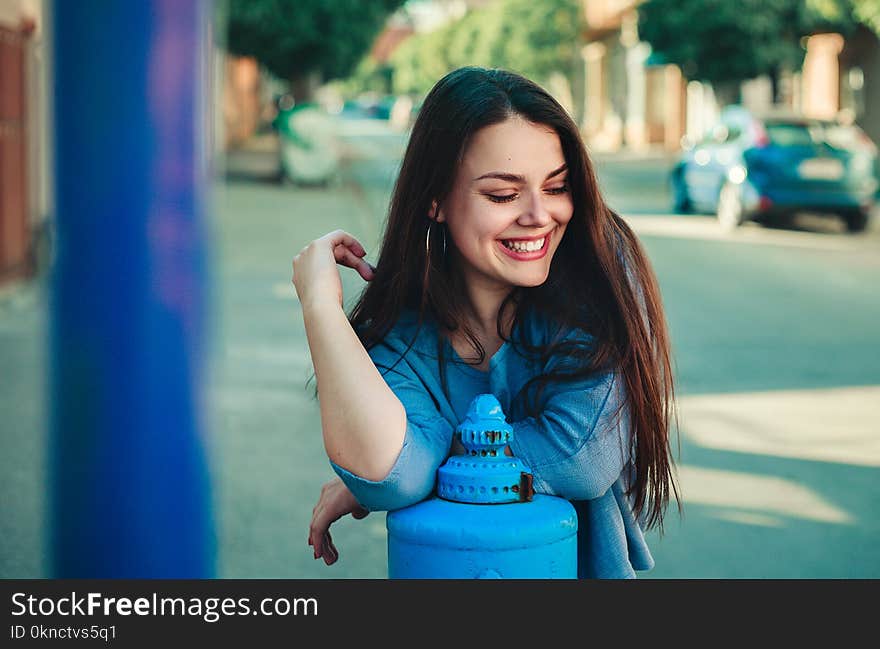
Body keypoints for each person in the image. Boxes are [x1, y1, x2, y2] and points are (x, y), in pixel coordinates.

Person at [292, 66, 680, 579]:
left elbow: (579, 457)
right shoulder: (405, 335)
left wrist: (435, 461)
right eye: (503, 195)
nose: (540, 215)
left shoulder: (601, 273)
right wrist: (320, 306)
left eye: (558, 186)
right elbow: (393, 477)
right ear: (435, 199)